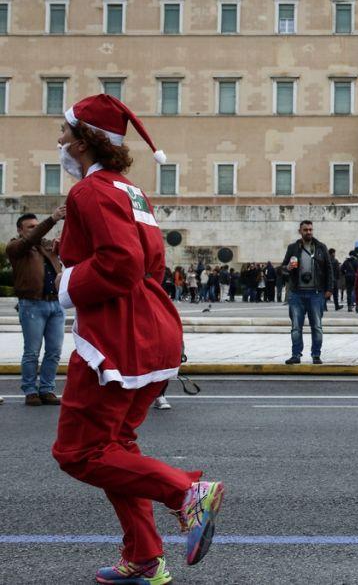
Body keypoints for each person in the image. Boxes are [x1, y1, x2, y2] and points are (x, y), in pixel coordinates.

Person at [50, 93, 223, 583]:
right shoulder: (131, 190)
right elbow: (153, 264)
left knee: (79, 454)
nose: (59, 140)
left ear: (84, 142)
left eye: (65, 131)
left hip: (115, 339)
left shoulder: (89, 192)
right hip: (150, 329)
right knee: (117, 449)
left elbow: (120, 264)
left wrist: (66, 285)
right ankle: (144, 557)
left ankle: (184, 492)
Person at [9, 208, 66, 406]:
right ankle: (30, 391)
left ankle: (47, 389)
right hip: (32, 304)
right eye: (30, 227)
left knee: (54, 351)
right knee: (32, 351)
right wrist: (51, 219)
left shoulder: (47, 246)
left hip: (55, 304)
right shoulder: (16, 247)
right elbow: (28, 241)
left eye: (36, 226)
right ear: (20, 230)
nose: (34, 230)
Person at [282, 220, 334, 365]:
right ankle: (296, 355)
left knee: (316, 326)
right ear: (300, 231)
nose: (309, 232)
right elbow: (283, 269)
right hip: (296, 293)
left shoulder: (321, 247)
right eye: (305, 230)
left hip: (316, 293)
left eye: (310, 229)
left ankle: (316, 355)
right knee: (296, 327)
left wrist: (329, 289)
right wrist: (288, 268)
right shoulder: (293, 248)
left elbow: (329, 269)